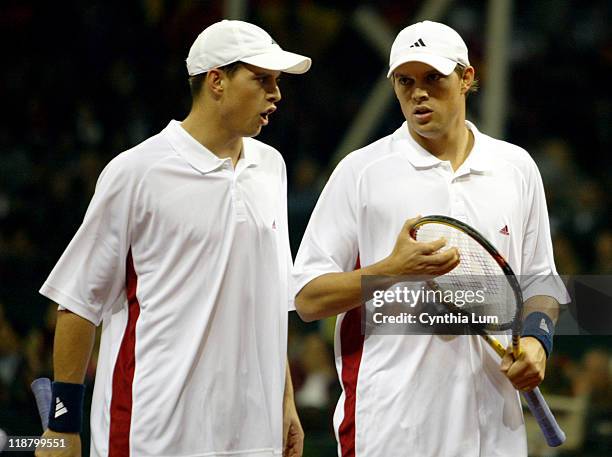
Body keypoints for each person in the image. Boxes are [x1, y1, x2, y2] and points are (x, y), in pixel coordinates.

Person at [293, 21, 569, 456]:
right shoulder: (360, 172)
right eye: (405, 81)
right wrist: (391, 270)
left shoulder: (516, 167)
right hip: (391, 428)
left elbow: (540, 280)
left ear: (467, 78)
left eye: (433, 79)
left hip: (495, 430)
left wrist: (537, 339)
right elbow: (308, 298)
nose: (418, 93)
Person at [36, 20, 310, 457]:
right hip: (152, 432)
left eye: (276, 82)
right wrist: (62, 427)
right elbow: (77, 304)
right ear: (216, 81)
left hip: (252, 435)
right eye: (262, 79)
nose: (276, 93)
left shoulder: (271, 167)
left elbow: (268, 300)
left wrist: (285, 400)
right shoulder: (136, 172)